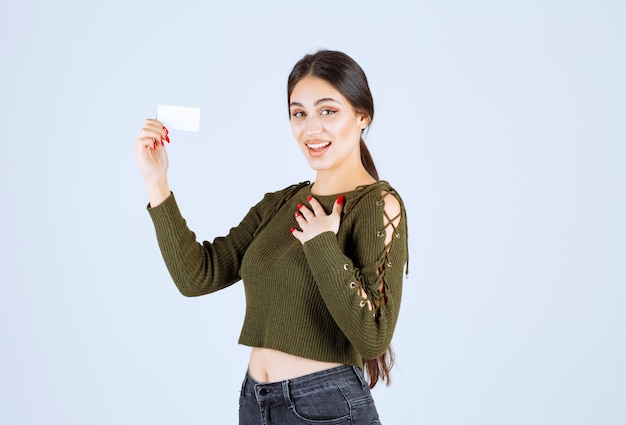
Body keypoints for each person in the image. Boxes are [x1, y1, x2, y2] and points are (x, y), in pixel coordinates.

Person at [134, 50, 408, 424]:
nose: (311, 129)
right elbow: (197, 276)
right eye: (299, 113)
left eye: (328, 111)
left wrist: (322, 243)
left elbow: (374, 335)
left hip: (325, 406)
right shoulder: (281, 203)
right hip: (255, 401)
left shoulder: (378, 204)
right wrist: (157, 182)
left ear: (362, 117)